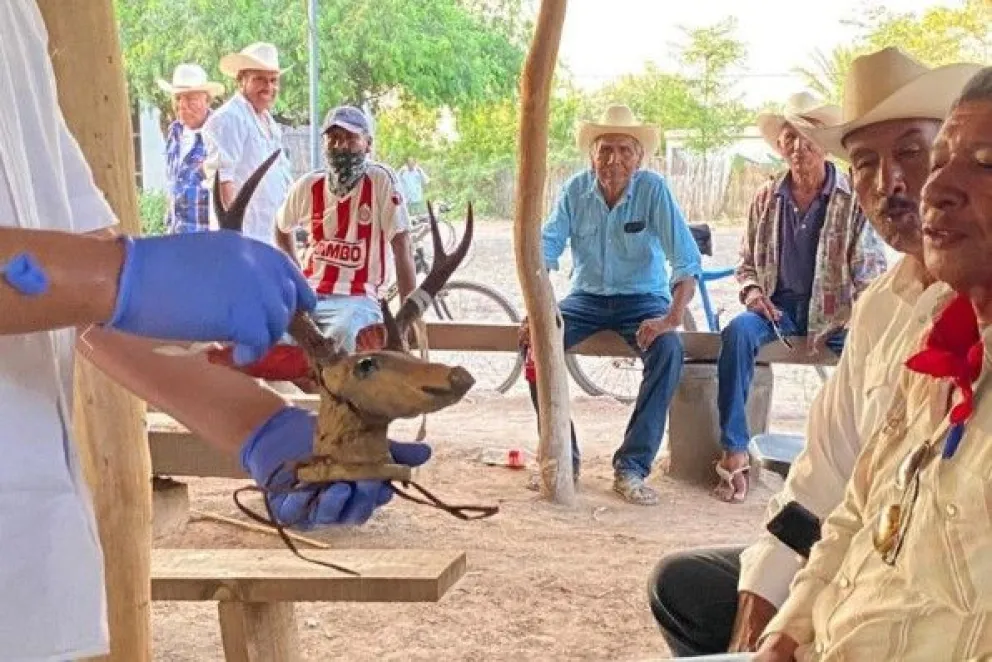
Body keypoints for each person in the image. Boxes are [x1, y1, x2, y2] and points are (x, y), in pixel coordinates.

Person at [1, 4, 429, 659]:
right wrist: (116, 276)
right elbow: (94, 282)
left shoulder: (18, 22)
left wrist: (258, 426)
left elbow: (79, 304)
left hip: (31, 586)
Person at [648, 47, 983, 656]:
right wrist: (765, 632)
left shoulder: (949, 320)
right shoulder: (884, 310)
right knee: (684, 587)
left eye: (913, 152)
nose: (895, 184)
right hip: (856, 566)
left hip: (901, 596)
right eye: (866, 163)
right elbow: (823, 490)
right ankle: (735, 446)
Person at [749, 64, 992, 662]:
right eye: (865, 164)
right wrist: (779, 630)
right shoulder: (917, 325)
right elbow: (838, 494)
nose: (912, 186)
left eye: (916, 152)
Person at [521, 104, 702, 505]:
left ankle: (632, 467)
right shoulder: (574, 190)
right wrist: (538, 309)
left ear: (638, 157)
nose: (613, 160)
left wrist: (671, 318)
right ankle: (562, 458)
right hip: (586, 297)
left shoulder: (653, 190)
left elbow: (686, 259)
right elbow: (545, 248)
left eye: (624, 150)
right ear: (592, 155)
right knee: (534, 344)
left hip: (642, 297)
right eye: (605, 150)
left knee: (669, 350)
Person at [713, 91, 888, 503]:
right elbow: (745, 265)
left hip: (835, 315)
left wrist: (849, 317)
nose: (797, 146)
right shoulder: (766, 197)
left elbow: (870, 276)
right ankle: (735, 451)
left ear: (825, 144)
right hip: (780, 312)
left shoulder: (852, 199)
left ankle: (857, 462)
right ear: (780, 145)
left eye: (808, 136)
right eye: (789, 136)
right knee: (736, 334)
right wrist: (754, 295)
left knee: (870, 356)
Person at [274, 105, 417, 352]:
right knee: (271, 336)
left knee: (344, 337)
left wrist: (407, 318)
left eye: (351, 138)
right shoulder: (308, 185)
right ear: (325, 144)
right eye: (335, 138)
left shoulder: (381, 181)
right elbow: (281, 226)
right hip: (311, 296)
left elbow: (402, 246)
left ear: (368, 144)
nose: (342, 146)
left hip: (360, 299)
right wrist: (296, 273)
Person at [202, 41, 294, 245]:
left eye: (273, 80)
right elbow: (223, 181)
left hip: (269, 234)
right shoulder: (229, 118)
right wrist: (234, 238)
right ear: (241, 80)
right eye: (260, 79)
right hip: (245, 239)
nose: (269, 87)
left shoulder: (267, 121)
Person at [158, 63, 224, 234]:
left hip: (205, 239)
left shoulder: (219, 134)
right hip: (175, 238)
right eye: (178, 98)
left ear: (207, 99)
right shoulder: (175, 132)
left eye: (190, 99)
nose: (182, 105)